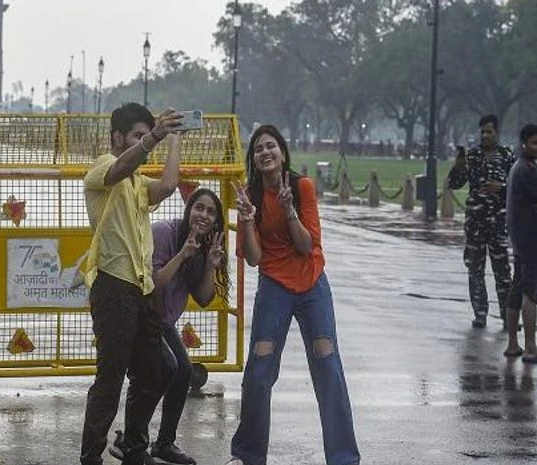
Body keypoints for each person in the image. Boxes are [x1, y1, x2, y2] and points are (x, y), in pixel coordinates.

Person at [227, 124, 360, 465]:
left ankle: (344, 458)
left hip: (312, 282)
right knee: (259, 371)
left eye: (271, 146)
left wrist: (289, 211)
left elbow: (305, 245)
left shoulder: (302, 188)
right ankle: (247, 455)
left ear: (283, 153)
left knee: (327, 366)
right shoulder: (251, 196)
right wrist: (247, 219)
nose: (265, 152)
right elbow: (254, 258)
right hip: (274, 286)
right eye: (258, 149)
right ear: (254, 159)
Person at [80, 102, 183, 465]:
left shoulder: (138, 182)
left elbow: (168, 185)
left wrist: (174, 137)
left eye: (146, 134)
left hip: (142, 289)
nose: (145, 142)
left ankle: (134, 448)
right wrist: (154, 135)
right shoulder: (103, 167)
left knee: (158, 369)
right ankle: (91, 457)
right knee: (109, 380)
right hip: (113, 287)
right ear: (117, 137)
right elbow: (121, 168)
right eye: (137, 135)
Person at [109, 188, 230, 465]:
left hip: (162, 321)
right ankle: (132, 444)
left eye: (211, 212)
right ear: (188, 210)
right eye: (199, 207)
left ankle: (163, 444)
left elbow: (204, 298)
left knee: (183, 370)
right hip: (139, 315)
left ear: (216, 221)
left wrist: (210, 265)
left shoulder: (204, 247)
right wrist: (183, 255)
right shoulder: (165, 232)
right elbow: (152, 285)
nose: (204, 215)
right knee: (163, 368)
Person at [447, 114, 514, 328]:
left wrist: (501, 188)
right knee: (475, 269)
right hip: (475, 222)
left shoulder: (506, 156)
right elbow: (454, 184)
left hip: (498, 222)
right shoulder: (473, 156)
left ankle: (507, 315)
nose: (485, 135)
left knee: (502, 271)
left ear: (497, 132)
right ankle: (480, 313)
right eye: (482, 132)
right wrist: (458, 167)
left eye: (489, 132)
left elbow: (518, 188)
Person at [503, 124, 537, 364]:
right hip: (533, 239)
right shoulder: (526, 170)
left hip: (520, 238)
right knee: (530, 293)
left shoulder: (519, 167)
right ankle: (531, 348)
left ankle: (513, 344)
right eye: (535, 143)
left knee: (517, 289)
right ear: (524, 143)